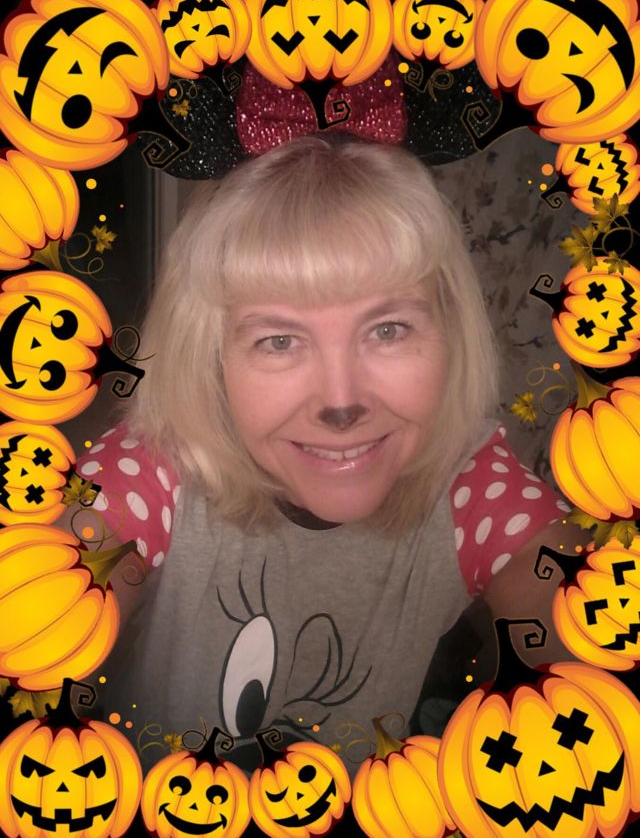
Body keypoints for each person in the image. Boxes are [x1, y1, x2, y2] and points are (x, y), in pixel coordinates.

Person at [72, 133, 585, 772]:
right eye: (279, 341)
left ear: (450, 334)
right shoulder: (157, 463)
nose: (341, 403)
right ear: (212, 357)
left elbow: (584, 616)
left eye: (388, 330)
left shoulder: (470, 481)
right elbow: (49, 589)